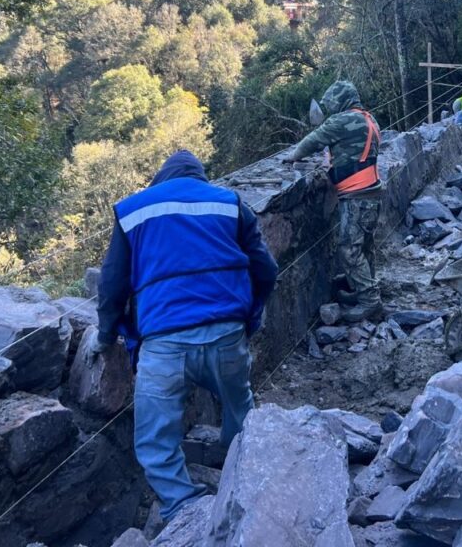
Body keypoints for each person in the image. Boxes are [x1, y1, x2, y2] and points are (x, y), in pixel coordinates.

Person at [93, 150, 278, 522]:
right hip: (227, 337)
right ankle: (242, 471)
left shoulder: (133, 210)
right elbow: (267, 270)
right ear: (200, 178)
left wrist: (104, 333)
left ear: (161, 179)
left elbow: (112, 283)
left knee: (155, 439)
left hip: (163, 345)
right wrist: (250, 318)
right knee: (240, 405)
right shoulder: (229, 202)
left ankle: (183, 510)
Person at [287, 81, 383, 323]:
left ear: (340, 101)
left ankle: (370, 302)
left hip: (356, 194)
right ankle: (363, 289)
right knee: (364, 246)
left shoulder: (342, 121)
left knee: (349, 249)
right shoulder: (369, 119)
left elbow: (313, 140)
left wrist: (293, 156)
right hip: (371, 191)